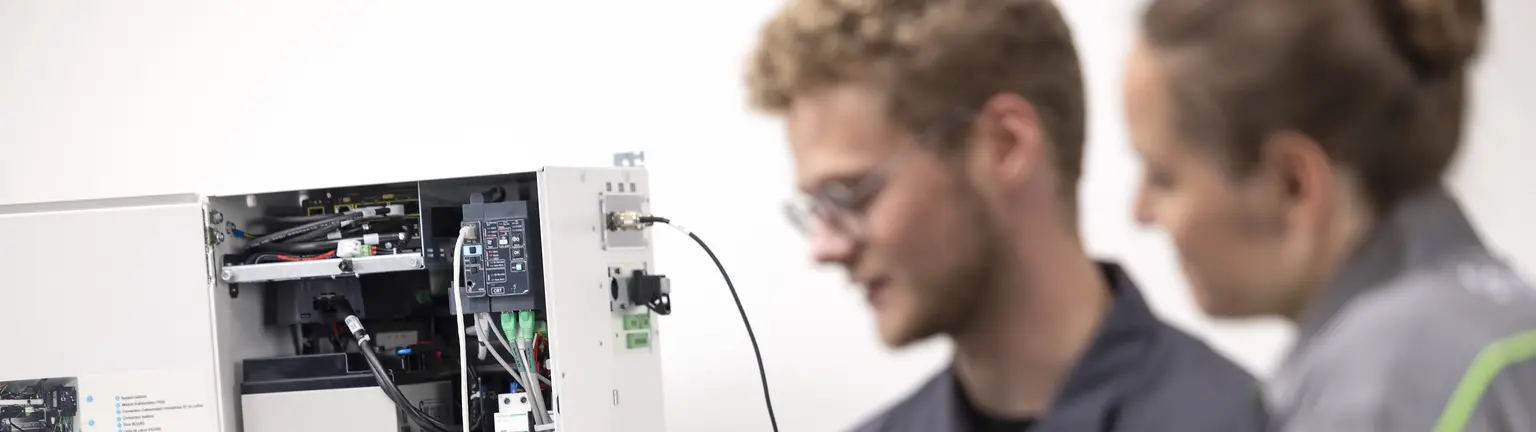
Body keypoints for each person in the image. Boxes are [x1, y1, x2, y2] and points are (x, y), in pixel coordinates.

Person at [745, 0, 1266, 430]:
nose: (825, 248)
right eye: (816, 208)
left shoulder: (1246, 422)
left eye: (850, 195)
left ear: (1004, 145)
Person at [1124, 0, 1536, 430]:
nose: (1140, 211)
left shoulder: (1370, 398)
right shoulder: (1511, 327)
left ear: (1293, 184)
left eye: (1163, 177)